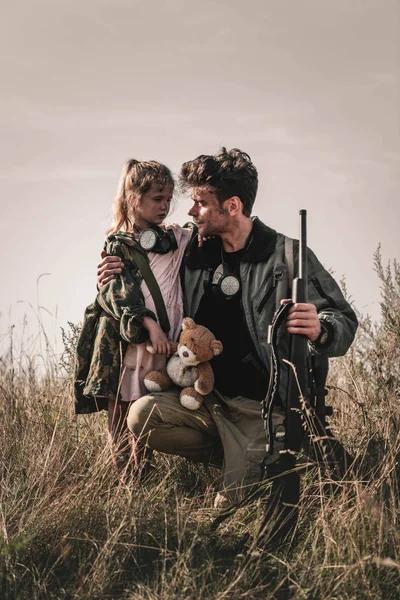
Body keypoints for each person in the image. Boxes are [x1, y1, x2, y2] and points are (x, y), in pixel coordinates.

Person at [96, 148, 358, 525]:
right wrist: (111, 272)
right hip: (207, 399)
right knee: (142, 415)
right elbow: (139, 251)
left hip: (260, 410)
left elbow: (343, 320)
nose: (189, 211)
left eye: (200, 203)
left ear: (232, 206)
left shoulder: (287, 254)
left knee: (226, 522)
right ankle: (232, 453)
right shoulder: (193, 251)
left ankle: (258, 455)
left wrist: (321, 327)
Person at [74, 158, 192, 474]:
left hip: (157, 347)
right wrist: (148, 324)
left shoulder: (172, 239)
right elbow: (119, 291)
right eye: (157, 198)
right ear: (133, 198)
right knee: (121, 414)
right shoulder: (118, 242)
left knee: (144, 412)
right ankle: (126, 483)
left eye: (168, 199)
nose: (165, 206)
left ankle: (144, 476)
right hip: (124, 344)